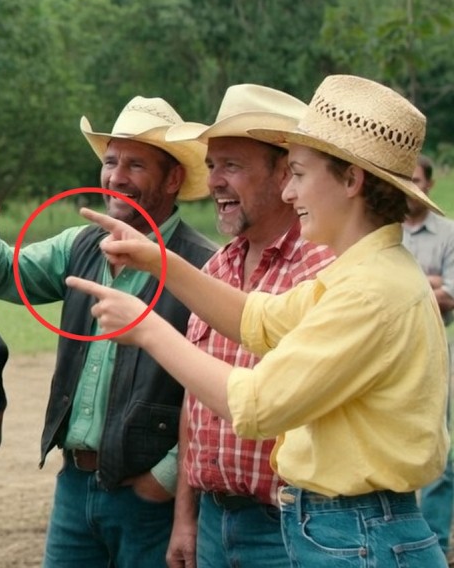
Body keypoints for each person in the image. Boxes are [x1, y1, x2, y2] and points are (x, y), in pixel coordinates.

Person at [68, 75, 450, 566]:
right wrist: (158, 261)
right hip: (351, 528)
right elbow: (260, 318)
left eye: (299, 174)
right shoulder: (366, 272)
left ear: (351, 180)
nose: (290, 193)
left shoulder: (370, 292)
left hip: (356, 535)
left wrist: (148, 328)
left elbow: (258, 405)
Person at [0, 96, 216, 567]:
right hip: (75, 488)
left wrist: (166, 476)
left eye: (136, 164)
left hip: (150, 502)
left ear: (173, 178)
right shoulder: (81, 243)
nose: (116, 176)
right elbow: (1, 272)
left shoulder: (203, 266)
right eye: (111, 161)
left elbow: (216, 393)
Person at [160, 84, 335, 568]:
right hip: (216, 522)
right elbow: (195, 402)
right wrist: (186, 519)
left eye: (231, 166)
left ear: (284, 173)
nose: (215, 181)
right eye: (212, 165)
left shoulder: (322, 268)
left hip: (294, 526)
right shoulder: (216, 268)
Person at [404, 155, 454, 557]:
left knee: (438, 444)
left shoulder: (448, 233)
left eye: (418, 181)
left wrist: (404, 288)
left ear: (429, 185)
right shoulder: (385, 230)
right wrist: (429, 282)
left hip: (435, 346)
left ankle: (435, 541)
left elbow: (451, 294)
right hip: (390, 352)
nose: (412, 188)